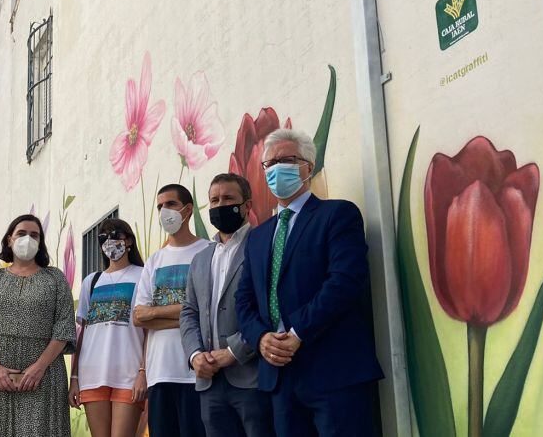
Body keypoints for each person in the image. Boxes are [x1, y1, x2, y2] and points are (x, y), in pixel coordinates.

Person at [234, 128, 383, 436]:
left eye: (286, 159)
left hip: (334, 370)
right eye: (269, 164)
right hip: (279, 377)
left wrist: (298, 331)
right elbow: (244, 301)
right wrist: (261, 338)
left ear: (308, 167)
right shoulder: (259, 237)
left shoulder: (337, 215)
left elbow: (345, 281)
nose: (276, 169)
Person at [180, 173, 274, 435]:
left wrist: (233, 352)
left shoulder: (263, 244)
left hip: (250, 375)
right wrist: (195, 354)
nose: (220, 204)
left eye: (228, 198)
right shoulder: (200, 258)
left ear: (247, 205)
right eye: (214, 200)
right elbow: (189, 311)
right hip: (209, 380)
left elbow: (269, 306)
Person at [0, 214, 76, 436]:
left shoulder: (54, 278)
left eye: (34, 235)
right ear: (9, 240)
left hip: (44, 377)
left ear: (41, 242)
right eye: (21, 234)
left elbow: (64, 326)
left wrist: (39, 367)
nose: (28, 239)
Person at [133, 184, 209, 437]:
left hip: (195, 371)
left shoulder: (208, 251)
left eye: (170, 204)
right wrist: (189, 313)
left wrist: (156, 312)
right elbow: (139, 316)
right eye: (159, 206)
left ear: (187, 210)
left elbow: (208, 310)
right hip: (159, 372)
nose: (164, 211)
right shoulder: (155, 260)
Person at [69, 219, 147, 437]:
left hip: (129, 374)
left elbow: (149, 329)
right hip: (92, 373)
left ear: (128, 240)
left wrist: (144, 372)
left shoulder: (143, 275)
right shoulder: (91, 281)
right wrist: (74, 378)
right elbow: (82, 333)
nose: (109, 242)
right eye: (103, 238)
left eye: (115, 235)